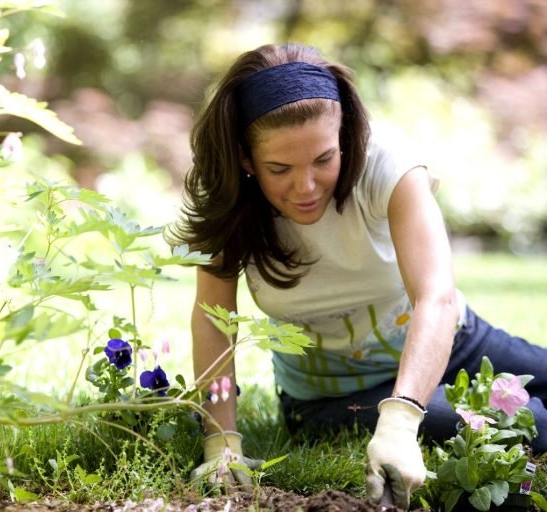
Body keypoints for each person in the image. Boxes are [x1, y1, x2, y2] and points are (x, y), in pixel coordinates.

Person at [166, 43, 547, 508]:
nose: (305, 187)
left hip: (453, 343)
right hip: (335, 393)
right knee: (533, 423)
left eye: (324, 159)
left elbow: (436, 297)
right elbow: (213, 320)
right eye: (279, 168)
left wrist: (401, 422)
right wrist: (221, 440)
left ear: (345, 136)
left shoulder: (387, 166)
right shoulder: (228, 203)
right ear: (246, 160)